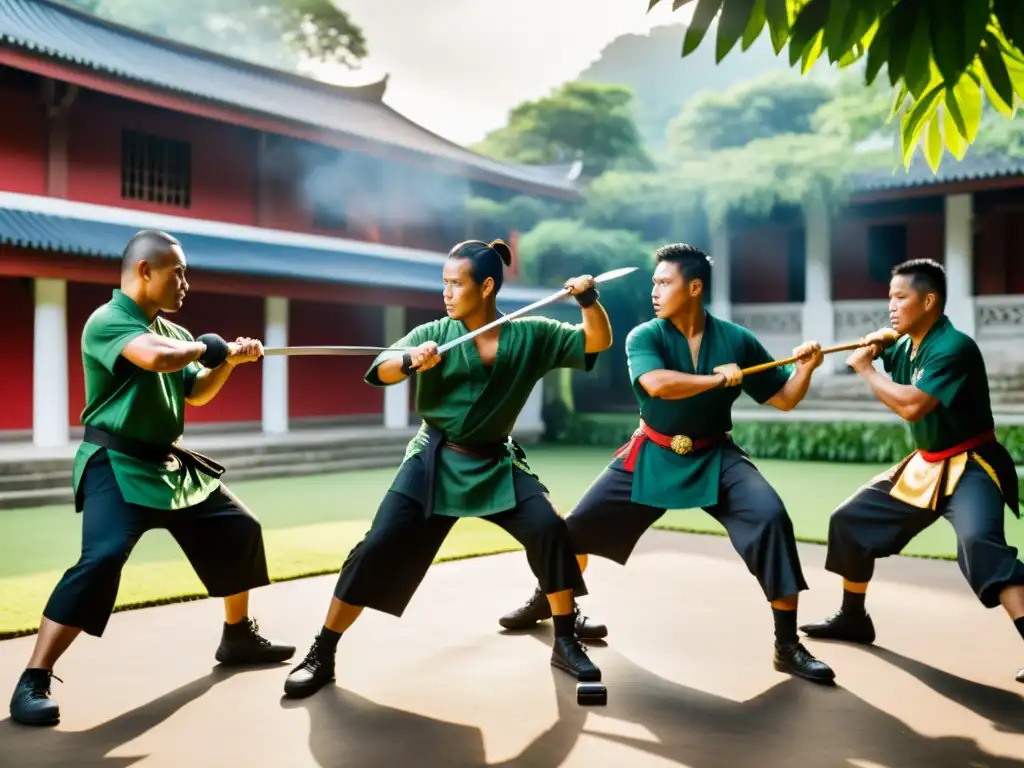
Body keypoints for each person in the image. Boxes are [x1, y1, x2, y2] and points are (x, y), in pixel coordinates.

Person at [282, 239, 614, 699]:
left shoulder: (533, 334)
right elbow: (381, 370)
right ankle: (323, 650)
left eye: (456, 284)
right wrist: (408, 361)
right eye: (445, 284)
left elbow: (596, 341)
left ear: (487, 287)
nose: (447, 293)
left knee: (549, 529)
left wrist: (588, 301)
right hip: (433, 459)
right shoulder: (433, 333)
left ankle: (564, 639)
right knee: (376, 547)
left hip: (495, 460)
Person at [497, 242, 837, 684]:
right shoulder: (645, 336)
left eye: (664, 282)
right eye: (653, 283)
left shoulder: (737, 340)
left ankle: (787, 645)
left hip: (716, 455)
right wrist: (716, 378)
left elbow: (785, 398)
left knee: (771, 518)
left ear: (694, 287)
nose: (654, 291)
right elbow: (656, 385)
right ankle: (550, 597)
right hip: (652, 452)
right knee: (569, 533)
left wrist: (806, 368)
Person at [9, 230, 295, 727]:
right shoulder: (109, 321)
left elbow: (198, 392)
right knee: (100, 560)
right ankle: (33, 676)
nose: (185, 283)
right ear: (144, 271)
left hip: (168, 464)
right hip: (114, 462)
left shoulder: (178, 334)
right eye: (177, 272)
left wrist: (226, 361)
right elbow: (154, 357)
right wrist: (211, 347)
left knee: (239, 528)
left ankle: (237, 636)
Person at [798, 258, 1024, 685]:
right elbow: (895, 361)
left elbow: (912, 404)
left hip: (971, 462)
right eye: (890, 298)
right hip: (927, 463)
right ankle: (853, 617)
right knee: (850, 520)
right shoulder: (907, 345)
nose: (892, 307)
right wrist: (866, 350)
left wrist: (866, 367)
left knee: (981, 544)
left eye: (900, 297)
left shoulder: (953, 347)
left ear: (929, 300)